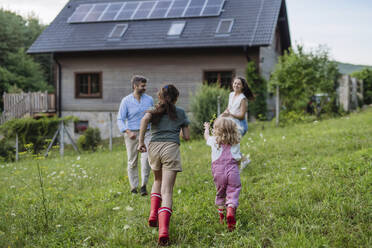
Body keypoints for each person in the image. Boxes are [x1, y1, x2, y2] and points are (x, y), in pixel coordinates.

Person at [138, 84, 190, 246]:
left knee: (157, 181)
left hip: (153, 148)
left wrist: (141, 141)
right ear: (176, 98)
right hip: (170, 149)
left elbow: (145, 119)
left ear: (159, 97)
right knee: (167, 191)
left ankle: (153, 214)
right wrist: (179, 128)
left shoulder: (154, 111)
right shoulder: (180, 113)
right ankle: (163, 231)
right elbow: (187, 136)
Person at [117, 75, 154, 195]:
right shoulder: (126, 101)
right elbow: (120, 119)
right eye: (142, 86)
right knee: (132, 161)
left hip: (147, 133)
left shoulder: (149, 100)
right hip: (131, 134)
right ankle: (134, 187)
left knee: (146, 160)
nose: (145, 88)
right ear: (135, 86)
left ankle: (144, 186)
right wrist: (128, 132)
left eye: (145, 85)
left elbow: (153, 116)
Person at [204, 117, 242, 231]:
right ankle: (230, 209)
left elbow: (206, 137)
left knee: (221, 193)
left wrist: (206, 128)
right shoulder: (236, 142)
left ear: (217, 130)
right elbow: (238, 159)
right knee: (233, 191)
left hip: (218, 171)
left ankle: (222, 218)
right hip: (233, 170)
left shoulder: (213, 141)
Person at [221, 76, 255, 171]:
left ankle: (236, 166)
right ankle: (244, 160)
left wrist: (230, 114)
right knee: (228, 146)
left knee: (232, 147)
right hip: (231, 123)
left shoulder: (243, 98)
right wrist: (222, 116)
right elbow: (228, 108)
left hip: (240, 126)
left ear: (242, 86)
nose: (236, 85)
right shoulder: (231, 94)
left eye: (238, 84)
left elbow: (242, 116)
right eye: (235, 83)